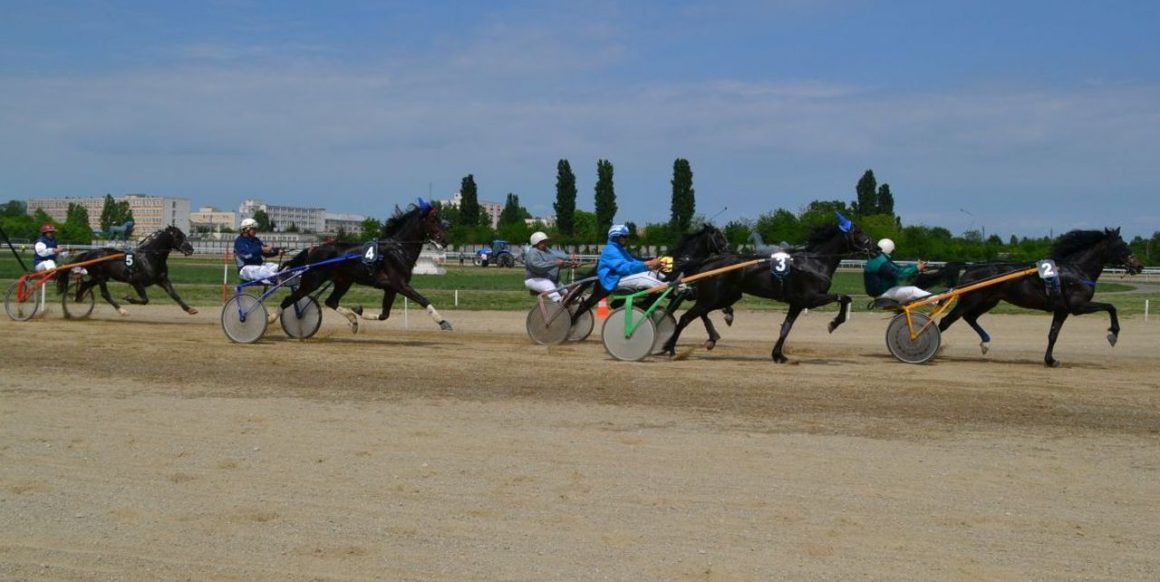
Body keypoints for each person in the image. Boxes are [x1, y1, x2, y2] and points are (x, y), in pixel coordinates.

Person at [597, 224, 665, 292]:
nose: (627, 238)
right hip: (613, 280)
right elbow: (624, 268)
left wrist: (649, 266)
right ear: (615, 237)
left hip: (620, 277)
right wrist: (647, 264)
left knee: (653, 273)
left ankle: (670, 284)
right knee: (644, 278)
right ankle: (668, 288)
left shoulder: (619, 249)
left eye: (627, 236)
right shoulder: (610, 250)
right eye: (624, 236)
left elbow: (633, 262)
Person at [863, 238, 931, 304]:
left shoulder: (877, 259)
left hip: (881, 292)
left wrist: (915, 266)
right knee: (914, 291)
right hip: (884, 293)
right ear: (889, 249)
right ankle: (939, 300)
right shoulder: (882, 262)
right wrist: (916, 268)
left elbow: (898, 268)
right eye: (893, 251)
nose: (893, 253)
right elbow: (899, 274)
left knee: (909, 294)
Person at [523, 231, 574, 301]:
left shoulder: (547, 251)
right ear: (536, 242)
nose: (545, 244)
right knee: (549, 285)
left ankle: (572, 306)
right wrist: (555, 263)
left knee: (567, 293)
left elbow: (557, 262)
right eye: (543, 242)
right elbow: (537, 266)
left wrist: (570, 264)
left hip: (548, 279)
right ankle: (558, 302)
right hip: (533, 279)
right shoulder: (532, 252)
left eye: (545, 241)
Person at [234, 218, 283, 282]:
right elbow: (246, 255)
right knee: (262, 269)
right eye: (253, 229)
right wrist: (261, 249)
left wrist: (277, 251)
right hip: (244, 269)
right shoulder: (239, 241)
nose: (255, 231)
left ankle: (286, 276)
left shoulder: (256, 240)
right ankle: (276, 278)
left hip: (259, 267)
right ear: (246, 229)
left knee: (277, 267)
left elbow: (265, 253)